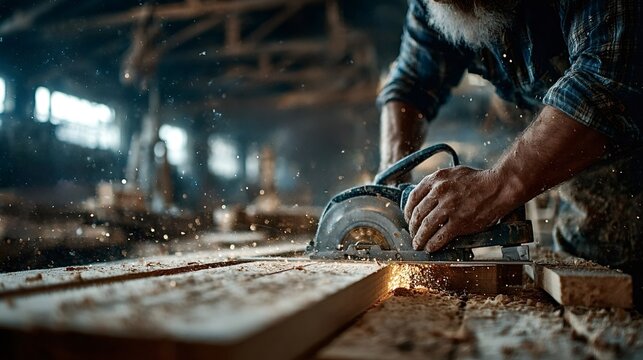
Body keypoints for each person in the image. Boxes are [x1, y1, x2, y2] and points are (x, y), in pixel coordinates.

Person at [378, 0, 642, 281]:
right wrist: (392, 183)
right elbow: (410, 85)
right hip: (588, 193)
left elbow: (605, 82)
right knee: (592, 286)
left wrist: (497, 186)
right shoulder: (431, 4)